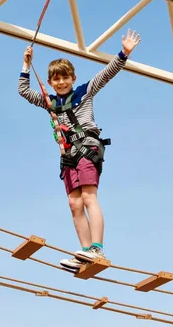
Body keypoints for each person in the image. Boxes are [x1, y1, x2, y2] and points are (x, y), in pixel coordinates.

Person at [17, 29, 141, 270]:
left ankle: (97, 248)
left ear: (73, 78)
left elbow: (106, 74)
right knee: (74, 204)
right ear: (51, 82)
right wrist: (25, 64)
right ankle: (85, 252)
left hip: (87, 147)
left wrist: (124, 53)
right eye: (56, 79)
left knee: (88, 197)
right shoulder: (50, 102)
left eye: (65, 78)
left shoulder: (85, 92)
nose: (61, 82)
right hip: (68, 156)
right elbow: (24, 91)